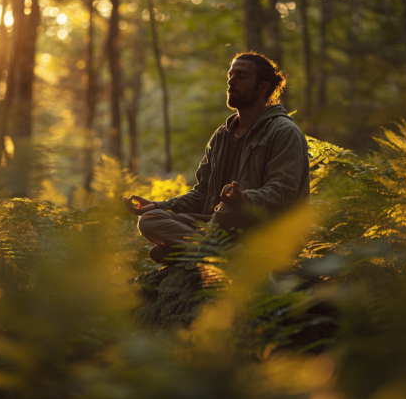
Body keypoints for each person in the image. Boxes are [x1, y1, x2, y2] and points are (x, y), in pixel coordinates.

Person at [122, 51, 310, 264]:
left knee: (228, 209)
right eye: (230, 75)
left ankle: (189, 252)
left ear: (263, 86)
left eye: (241, 76)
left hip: (265, 228)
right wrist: (158, 206)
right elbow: (202, 192)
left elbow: (282, 194)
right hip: (216, 225)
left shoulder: (284, 131)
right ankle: (212, 253)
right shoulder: (222, 135)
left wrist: (243, 199)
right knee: (150, 221)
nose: (231, 81)